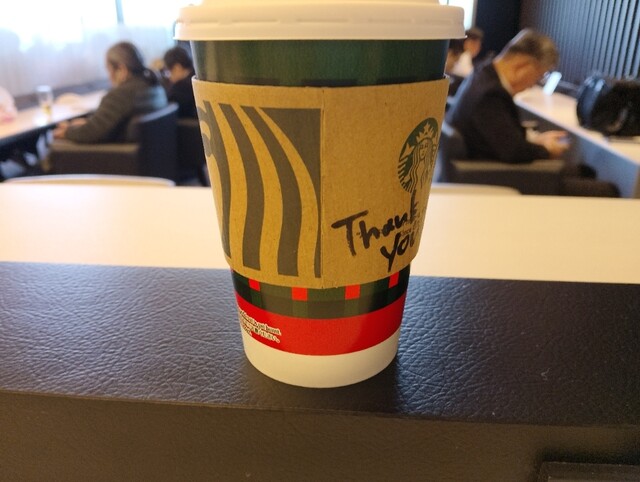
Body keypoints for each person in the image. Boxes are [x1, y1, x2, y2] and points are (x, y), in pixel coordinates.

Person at [446, 28, 618, 197]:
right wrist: (546, 149)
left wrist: (536, 140)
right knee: (607, 189)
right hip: (489, 172)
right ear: (524, 66)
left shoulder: (482, 76)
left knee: (584, 172)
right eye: (539, 75)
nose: (533, 84)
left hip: (484, 160)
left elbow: (500, 135)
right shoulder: (490, 95)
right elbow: (514, 152)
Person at [53, 41, 167, 143]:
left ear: (122, 69)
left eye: (108, 69)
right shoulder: (152, 86)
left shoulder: (122, 94)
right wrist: (87, 123)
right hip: (147, 152)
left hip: (116, 155)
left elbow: (91, 133)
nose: (109, 77)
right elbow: (111, 124)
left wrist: (67, 132)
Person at [162, 46, 197, 119]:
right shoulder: (198, 78)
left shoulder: (180, 88)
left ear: (177, 68)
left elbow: (166, 106)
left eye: (168, 71)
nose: (168, 76)